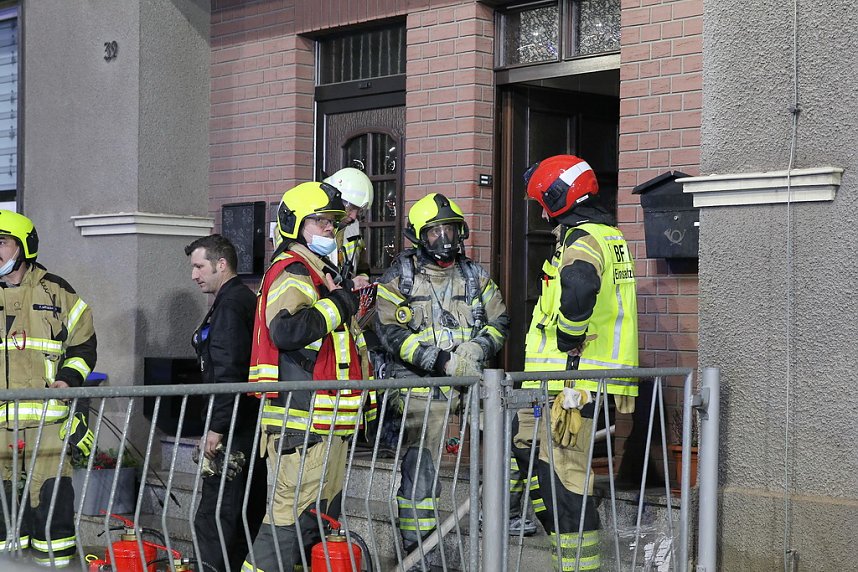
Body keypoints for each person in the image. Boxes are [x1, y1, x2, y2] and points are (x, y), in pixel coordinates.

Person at [511, 155, 639, 570]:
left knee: (565, 483)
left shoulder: (583, 240)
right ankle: (564, 551)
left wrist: (569, 336)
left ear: (559, 198)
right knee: (530, 454)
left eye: (543, 202)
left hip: (576, 382)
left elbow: (580, 287)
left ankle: (577, 566)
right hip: (562, 383)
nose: (541, 211)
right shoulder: (604, 235)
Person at [243, 181, 377, 571]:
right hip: (304, 422)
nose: (329, 230)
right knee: (288, 523)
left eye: (333, 223)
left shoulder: (319, 271)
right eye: (319, 222)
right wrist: (339, 302)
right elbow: (286, 331)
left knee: (312, 522)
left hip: (324, 422)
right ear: (295, 224)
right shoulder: (294, 270)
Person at [374, 193, 509, 565]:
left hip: (471, 382)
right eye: (435, 231)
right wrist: (442, 362)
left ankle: (509, 515)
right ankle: (420, 554)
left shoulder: (474, 274)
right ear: (419, 236)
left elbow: (500, 321)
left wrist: (479, 348)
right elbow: (390, 333)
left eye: (449, 229)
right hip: (420, 389)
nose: (444, 238)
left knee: (509, 443)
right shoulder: (399, 278)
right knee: (421, 474)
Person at [0, 210, 97, 568]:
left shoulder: (56, 291)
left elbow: (84, 345)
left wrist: (68, 379)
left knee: (52, 497)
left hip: (48, 423)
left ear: (24, 247)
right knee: (1, 503)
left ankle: (55, 563)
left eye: (1, 242)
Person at [185, 234, 267, 572]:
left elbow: (229, 370)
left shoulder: (232, 305)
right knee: (240, 512)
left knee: (217, 515)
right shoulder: (238, 300)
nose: (194, 275)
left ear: (221, 264)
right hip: (246, 425)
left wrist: (216, 429)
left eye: (199, 266)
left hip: (234, 428)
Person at [323, 167, 374, 289]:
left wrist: (363, 278)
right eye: (350, 208)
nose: (354, 216)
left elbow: (362, 263)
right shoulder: (312, 230)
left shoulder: (353, 228)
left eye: (359, 211)